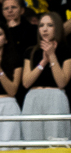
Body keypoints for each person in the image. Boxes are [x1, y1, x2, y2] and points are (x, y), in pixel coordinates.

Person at [21, 12, 71, 142]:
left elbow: (62, 82)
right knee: (32, 141)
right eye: (41, 25)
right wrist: (43, 62)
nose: (45, 29)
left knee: (56, 140)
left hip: (56, 97)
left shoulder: (66, 50)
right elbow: (26, 82)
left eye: (50, 25)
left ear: (57, 28)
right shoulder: (30, 51)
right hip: (33, 97)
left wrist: (52, 55)